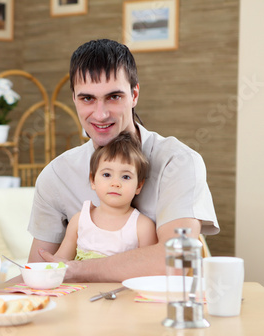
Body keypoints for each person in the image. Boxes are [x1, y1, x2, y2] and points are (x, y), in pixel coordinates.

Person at [27, 39, 219, 282]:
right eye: (87, 98)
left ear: (134, 94)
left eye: (114, 97)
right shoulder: (56, 176)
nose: (100, 114)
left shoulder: (178, 162)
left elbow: (178, 258)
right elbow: (37, 272)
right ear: (74, 99)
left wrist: (75, 269)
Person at [54, 131, 157, 261]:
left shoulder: (142, 226)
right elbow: (61, 262)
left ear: (138, 186)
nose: (115, 183)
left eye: (125, 177)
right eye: (107, 175)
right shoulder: (79, 221)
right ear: (93, 180)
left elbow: (149, 269)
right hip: (81, 282)